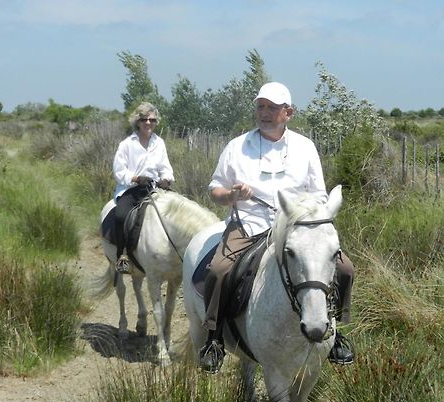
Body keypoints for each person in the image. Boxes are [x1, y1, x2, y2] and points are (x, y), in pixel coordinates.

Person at [199, 82, 354, 373]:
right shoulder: (236, 146)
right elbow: (214, 190)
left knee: (345, 269)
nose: (264, 113)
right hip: (249, 224)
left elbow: (319, 195)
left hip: (297, 228)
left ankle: (335, 332)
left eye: (272, 108)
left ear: (289, 112)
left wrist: (303, 212)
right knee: (219, 270)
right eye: (260, 107)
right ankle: (215, 337)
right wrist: (232, 195)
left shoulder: (304, 147)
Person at [112, 101, 174, 274]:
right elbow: (119, 171)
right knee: (120, 215)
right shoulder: (126, 144)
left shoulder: (159, 143)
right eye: (145, 119)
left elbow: (166, 167)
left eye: (152, 120)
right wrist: (136, 178)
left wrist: (166, 179)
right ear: (137, 122)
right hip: (132, 189)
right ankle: (122, 256)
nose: (148, 123)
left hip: (155, 188)